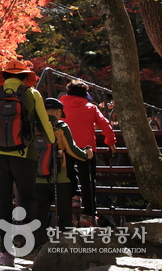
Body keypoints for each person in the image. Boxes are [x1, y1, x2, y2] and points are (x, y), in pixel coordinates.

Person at [0, 60, 55, 266]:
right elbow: (45, 124)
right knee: (27, 197)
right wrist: (52, 141)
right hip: (25, 154)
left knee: (3, 202)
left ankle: (6, 252)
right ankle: (24, 241)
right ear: (25, 76)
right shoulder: (32, 94)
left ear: (5, 75)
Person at [34, 98, 93, 249]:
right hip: (59, 177)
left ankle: (37, 245)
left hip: (37, 178)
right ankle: (64, 246)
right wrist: (87, 154)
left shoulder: (34, 125)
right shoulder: (61, 126)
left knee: (39, 213)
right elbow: (72, 150)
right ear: (59, 111)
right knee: (64, 214)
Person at [59, 80, 116, 226]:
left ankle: (75, 195)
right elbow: (105, 124)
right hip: (87, 150)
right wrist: (111, 142)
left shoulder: (60, 106)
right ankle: (88, 215)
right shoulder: (90, 107)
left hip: (66, 147)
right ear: (85, 94)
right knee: (88, 181)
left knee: (69, 173)